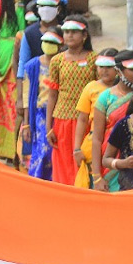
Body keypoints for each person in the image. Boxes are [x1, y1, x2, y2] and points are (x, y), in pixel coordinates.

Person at [0, 0, 38, 163]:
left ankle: (20, 150)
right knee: (7, 104)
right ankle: (6, 149)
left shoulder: (32, 2)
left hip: (29, 52)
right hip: (5, 54)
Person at [45, 16, 97, 184]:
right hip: (62, 120)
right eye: (66, 32)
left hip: (87, 120)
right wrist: (48, 126)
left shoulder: (94, 60)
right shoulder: (57, 61)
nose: (69, 36)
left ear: (84, 35)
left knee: (83, 161)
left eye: (74, 32)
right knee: (63, 163)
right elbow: (52, 94)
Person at [91, 51, 133, 191]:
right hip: (110, 160)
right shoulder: (106, 98)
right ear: (119, 72)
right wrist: (97, 176)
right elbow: (96, 138)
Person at [72, 50, 118, 188]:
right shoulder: (91, 87)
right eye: (101, 67)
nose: (104, 71)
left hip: (116, 141)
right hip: (95, 142)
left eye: (109, 67)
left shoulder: (124, 90)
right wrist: (77, 149)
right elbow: (82, 120)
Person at [20, 30, 60, 179]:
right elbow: (26, 96)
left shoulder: (62, 64)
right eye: (47, 42)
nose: (49, 46)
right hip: (40, 114)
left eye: (53, 43)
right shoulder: (32, 66)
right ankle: (38, 178)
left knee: (55, 150)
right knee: (43, 149)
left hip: (59, 112)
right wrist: (26, 124)